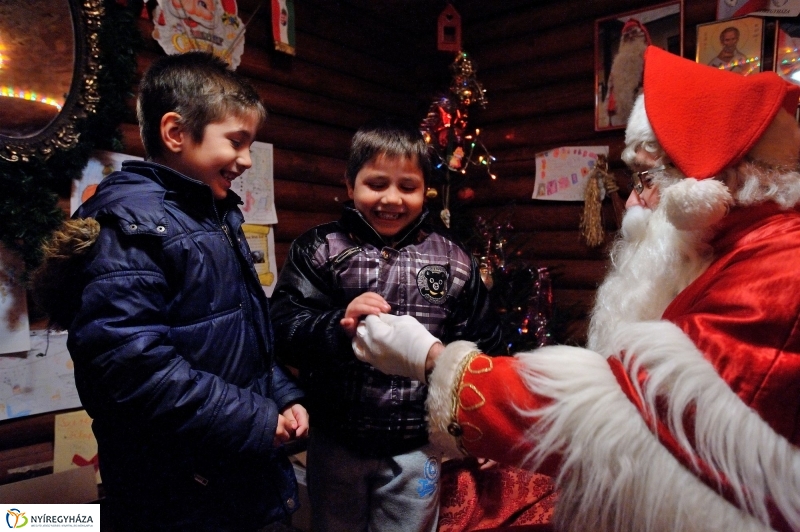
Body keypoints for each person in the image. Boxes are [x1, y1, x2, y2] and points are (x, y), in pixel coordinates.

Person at [352, 46, 800, 532]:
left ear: (706, 187)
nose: (634, 200)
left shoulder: (776, 271)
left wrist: (435, 360)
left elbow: (627, 420)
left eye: (647, 178)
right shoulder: (745, 247)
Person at [31, 51, 308, 532]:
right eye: (237, 142)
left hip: (239, 475)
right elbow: (135, 370)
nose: (246, 160)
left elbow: (243, 338)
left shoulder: (215, 215)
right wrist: (259, 421)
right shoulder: (126, 226)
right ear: (176, 133)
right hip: (176, 496)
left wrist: (282, 395)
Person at [269, 117, 505, 532]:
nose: (391, 199)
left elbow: (483, 344)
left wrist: (483, 425)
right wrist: (336, 326)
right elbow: (283, 328)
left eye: (407, 187)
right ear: (349, 185)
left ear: (424, 190)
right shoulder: (321, 248)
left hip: (418, 444)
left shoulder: (454, 259)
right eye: (376, 184)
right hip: (336, 438)